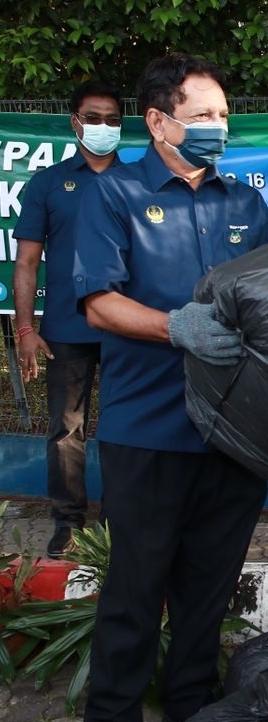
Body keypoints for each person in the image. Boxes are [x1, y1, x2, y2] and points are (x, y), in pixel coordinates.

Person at [72, 53, 268, 722]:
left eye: (224, 116)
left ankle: (191, 714)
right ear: (158, 121)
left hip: (233, 431)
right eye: (203, 115)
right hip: (148, 430)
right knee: (136, 585)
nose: (217, 128)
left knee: (208, 588)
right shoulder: (116, 194)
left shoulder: (246, 202)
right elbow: (98, 302)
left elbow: (267, 299)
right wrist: (175, 326)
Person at [13, 80, 124, 558]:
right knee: (65, 429)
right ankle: (69, 525)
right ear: (75, 122)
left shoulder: (138, 180)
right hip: (64, 329)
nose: (103, 127)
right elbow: (25, 263)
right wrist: (25, 330)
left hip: (127, 328)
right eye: (94, 118)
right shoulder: (49, 183)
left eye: (113, 120)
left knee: (128, 428)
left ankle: (120, 524)